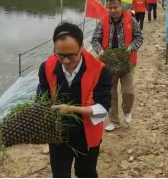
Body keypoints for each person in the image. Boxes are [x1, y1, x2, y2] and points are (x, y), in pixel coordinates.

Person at [37, 22, 112, 178]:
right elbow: (41, 96)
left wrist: (72, 110)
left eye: (71, 56)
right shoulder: (46, 67)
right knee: (60, 173)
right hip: (58, 133)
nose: (65, 61)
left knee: (86, 173)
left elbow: (102, 110)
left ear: (82, 47)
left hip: (87, 134)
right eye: (60, 55)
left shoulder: (100, 70)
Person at [91, 0, 143, 132]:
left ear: (121, 7)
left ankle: (126, 111)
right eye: (110, 8)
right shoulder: (102, 22)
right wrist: (100, 51)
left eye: (116, 7)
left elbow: (139, 37)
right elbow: (95, 39)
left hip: (126, 62)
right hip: (108, 63)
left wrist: (131, 47)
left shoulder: (131, 21)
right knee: (111, 93)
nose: (113, 10)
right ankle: (114, 121)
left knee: (128, 91)